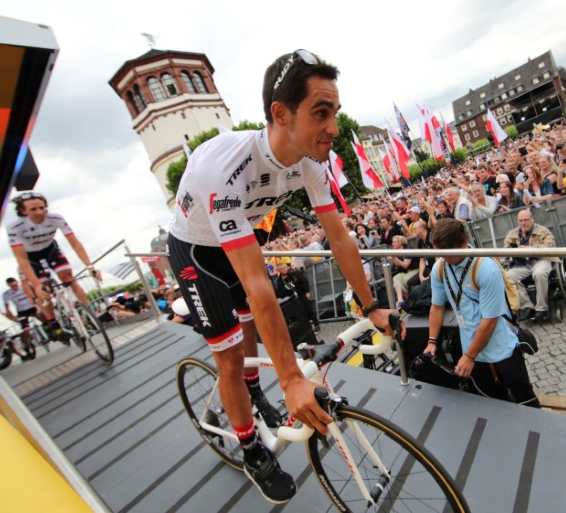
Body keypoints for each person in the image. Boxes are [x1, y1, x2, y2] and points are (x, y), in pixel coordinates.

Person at [166, 49, 394, 504]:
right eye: (321, 113)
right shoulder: (224, 165)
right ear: (280, 114)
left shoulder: (311, 161)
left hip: (233, 241)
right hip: (194, 249)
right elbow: (257, 283)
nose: (334, 127)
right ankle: (250, 447)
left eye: (336, 112)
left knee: (252, 328)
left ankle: (256, 390)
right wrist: (290, 378)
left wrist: (372, 307)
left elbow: (340, 239)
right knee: (231, 358)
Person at [422, 218, 540, 408]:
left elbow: (490, 320)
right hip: (472, 349)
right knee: (492, 402)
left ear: (462, 244)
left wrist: (469, 356)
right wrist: (432, 341)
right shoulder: (441, 268)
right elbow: (436, 307)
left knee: (524, 398)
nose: (443, 259)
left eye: (448, 254)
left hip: (501, 348)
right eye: (439, 253)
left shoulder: (486, 268)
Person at [5, 192, 100, 339]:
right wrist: (36, 285)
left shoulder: (55, 218)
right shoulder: (15, 226)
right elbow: (21, 258)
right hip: (30, 257)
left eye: (42, 208)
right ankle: (54, 324)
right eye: (33, 209)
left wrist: (89, 266)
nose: (40, 212)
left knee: (69, 278)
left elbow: (75, 243)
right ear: (23, 211)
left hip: (50, 250)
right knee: (44, 290)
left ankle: (89, 315)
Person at [504, 209, 560, 323]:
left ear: (532, 219)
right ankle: (527, 306)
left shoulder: (542, 230)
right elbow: (505, 250)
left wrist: (531, 248)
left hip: (541, 260)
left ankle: (542, 308)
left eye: (526, 220)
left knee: (539, 273)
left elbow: (550, 245)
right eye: (520, 221)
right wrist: (514, 250)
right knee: (508, 276)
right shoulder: (512, 234)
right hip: (522, 263)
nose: (523, 223)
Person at [273, 262, 320, 334]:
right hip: (292, 300)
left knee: (309, 310)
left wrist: (307, 291)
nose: (284, 269)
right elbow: (280, 293)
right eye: (282, 269)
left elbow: (303, 280)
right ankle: (307, 328)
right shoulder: (279, 282)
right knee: (300, 314)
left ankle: (316, 325)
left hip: (301, 295)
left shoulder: (293, 274)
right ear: (278, 270)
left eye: (285, 267)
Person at [2, 277, 42, 359]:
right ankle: (27, 348)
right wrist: (13, 317)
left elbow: (36, 292)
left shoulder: (25, 286)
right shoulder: (6, 294)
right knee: (26, 331)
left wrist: (37, 302)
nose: (14, 287)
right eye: (12, 286)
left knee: (42, 318)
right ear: (9, 286)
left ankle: (50, 330)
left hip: (32, 307)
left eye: (15, 284)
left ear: (17, 282)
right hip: (22, 312)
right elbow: (7, 308)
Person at [390, 235, 420, 307]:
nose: (392, 244)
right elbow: (398, 264)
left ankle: (409, 301)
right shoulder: (398, 250)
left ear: (400, 242)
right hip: (408, 271)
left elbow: (405, 265)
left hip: (417, 269)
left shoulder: (407, 249)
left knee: (401, 280)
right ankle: (401, 301)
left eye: (394, 242)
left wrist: (395, 258)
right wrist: (393, 259)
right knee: (396, 278)